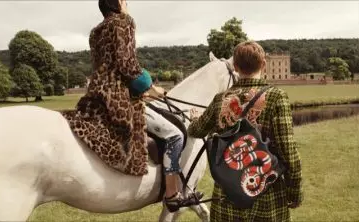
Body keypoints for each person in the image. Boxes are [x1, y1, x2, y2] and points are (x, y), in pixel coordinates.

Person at [62, 0, 202, 209]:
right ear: (118, 2)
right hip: (119, 100)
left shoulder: (95, 31)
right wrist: (152, 88)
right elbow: (128, 65)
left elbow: (112, 67)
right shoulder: (123, 21)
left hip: (97, 98)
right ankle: (172, 194)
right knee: (175, 135)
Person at [187, 41, 303, 221]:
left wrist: (196, 117)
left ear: (235, 67)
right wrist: (294, 191)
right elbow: (288, 151)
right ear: (264, 64)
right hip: (267, 195)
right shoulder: (276, 96)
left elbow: (195, 130)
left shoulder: (221, 99)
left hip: (228, 196)